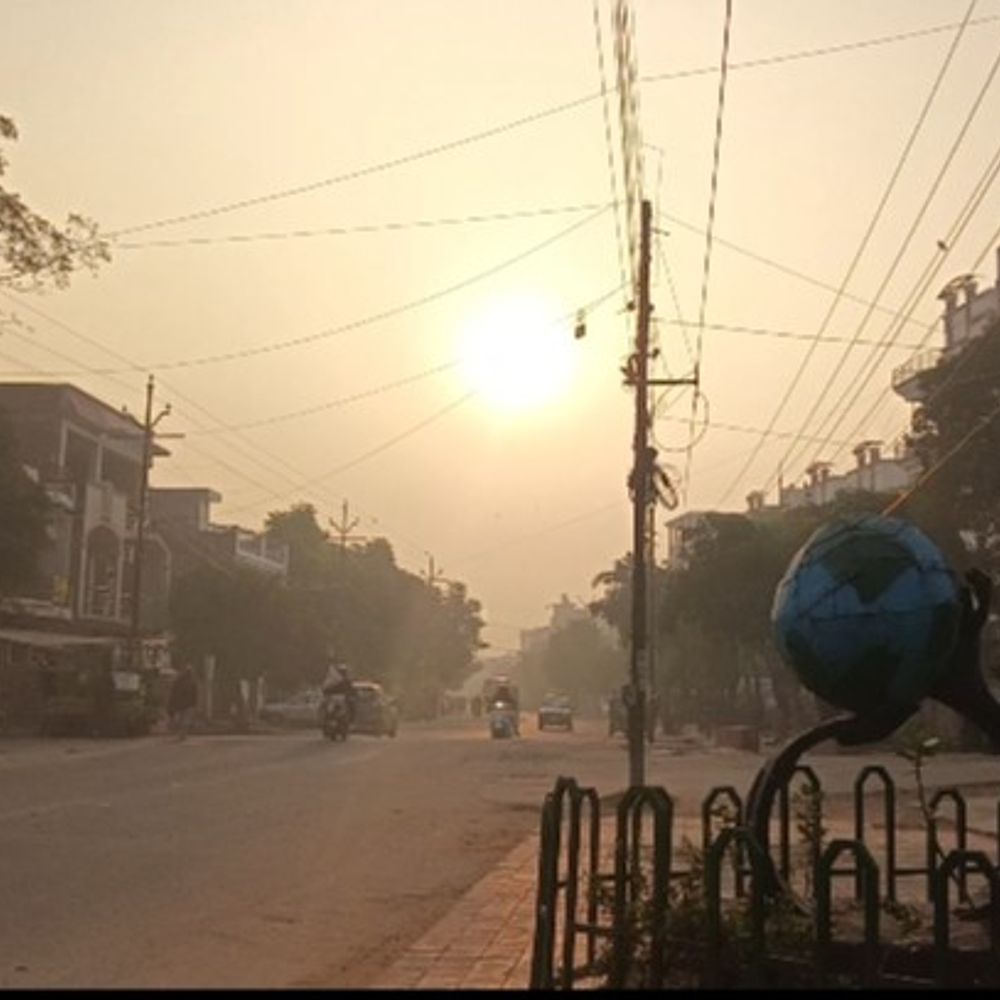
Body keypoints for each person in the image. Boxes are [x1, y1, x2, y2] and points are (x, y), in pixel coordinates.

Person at [167, 663, 198, 740]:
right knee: (184, 720)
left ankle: (182, 734)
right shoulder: (191, 681)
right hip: (186, 704)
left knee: (183, 720)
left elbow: (173, 693)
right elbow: (194, 694)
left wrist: (172, 703)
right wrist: (194, 704)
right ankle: (182, 734)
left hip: (182, 704)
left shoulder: (179, 681)